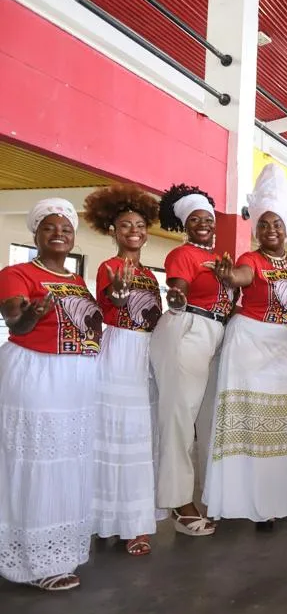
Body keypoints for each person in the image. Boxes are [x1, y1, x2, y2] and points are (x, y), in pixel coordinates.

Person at [203, 164, 287, 529]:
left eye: (276, 223)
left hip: (286, 348)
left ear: (286, 228)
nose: (270, 230)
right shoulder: (251, 260)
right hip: (250, 343)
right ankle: (251, 504)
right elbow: (240, 277)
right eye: (263, 224)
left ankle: (283, 498)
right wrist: (227, 276)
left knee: (284, 426)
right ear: (256, 230)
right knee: (250, 426)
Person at [0, 198, 102, 591]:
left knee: (68, 462)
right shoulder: (16, 272)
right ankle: (34, 559)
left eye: (65, 228)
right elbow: (16, 321)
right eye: (49, 227)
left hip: (75, 380)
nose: (58, 233)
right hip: (37, 373)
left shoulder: (77, 281)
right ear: (36, 234)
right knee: (37, 461)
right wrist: (31, 314)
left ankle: (61, 550)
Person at [84, 186, 163, 556]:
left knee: (140, 438)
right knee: (113, 433)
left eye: (140, 224)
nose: (134, 230)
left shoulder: (149, 273)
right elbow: (108, 302)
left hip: (146, 352)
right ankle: (105, 519)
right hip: (118, 351)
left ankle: (134, 522)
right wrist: (117, 295)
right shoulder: (108, 267)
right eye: (125, 224)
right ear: (113, 231)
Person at [150, 183, 232, 537]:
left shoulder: (220, 257)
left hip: (216, 333)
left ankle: (208, 494)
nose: (203, 224)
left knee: (209, 422)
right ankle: (179, 504)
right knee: (179, 420)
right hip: (188, 328)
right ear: (186, 224)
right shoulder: (183, 255)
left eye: (208, 219)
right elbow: (178, 289)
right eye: (195, 219)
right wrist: (177, 297)